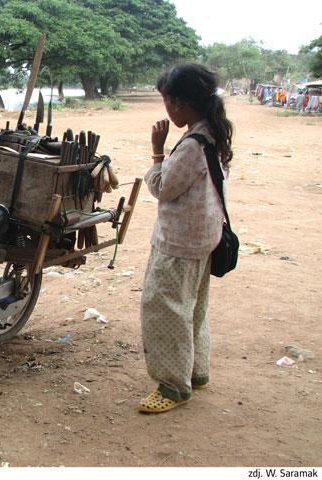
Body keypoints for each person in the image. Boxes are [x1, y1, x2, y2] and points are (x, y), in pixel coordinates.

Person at [138, 63, 234, 413]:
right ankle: (196, 372)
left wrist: (156, 150)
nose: (165, 108)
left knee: (163, 310)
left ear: (178, 103)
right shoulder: (212, 132)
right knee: (192, 308)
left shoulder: (193, 143)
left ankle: (173, 386)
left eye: (166, 100)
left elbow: (163, 188)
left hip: (179, 243)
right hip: (203, 237)